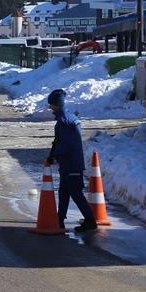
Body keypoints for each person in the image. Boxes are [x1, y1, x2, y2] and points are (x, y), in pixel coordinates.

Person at [45, 89, 96, 232]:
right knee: (64, 192)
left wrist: (54, 155)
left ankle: (90, 221)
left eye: (51, 104)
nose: (50, 107)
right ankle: (59, 219)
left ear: (56, 104)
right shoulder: (68, 117)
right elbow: (59, 141)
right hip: (69, 163)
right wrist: (53, 154)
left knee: (75, 193)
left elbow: (65, 144)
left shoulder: (63, 121)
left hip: (71, 163)